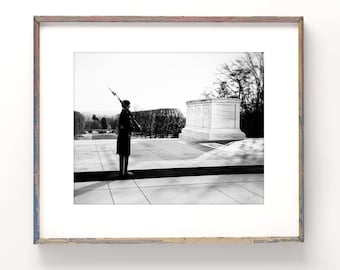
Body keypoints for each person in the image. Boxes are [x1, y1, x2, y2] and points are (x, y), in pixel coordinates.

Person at [117, 100, 134, 177]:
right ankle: (123, 172)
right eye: (129, 105)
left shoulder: (125, 113)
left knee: (124, 154)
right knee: (124, 154)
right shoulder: (124, 114)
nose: (130, 106)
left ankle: (123, 171)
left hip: (124, 136)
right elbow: (123, 126)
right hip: (124, 137)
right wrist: (132, 128)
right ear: (126, 105)